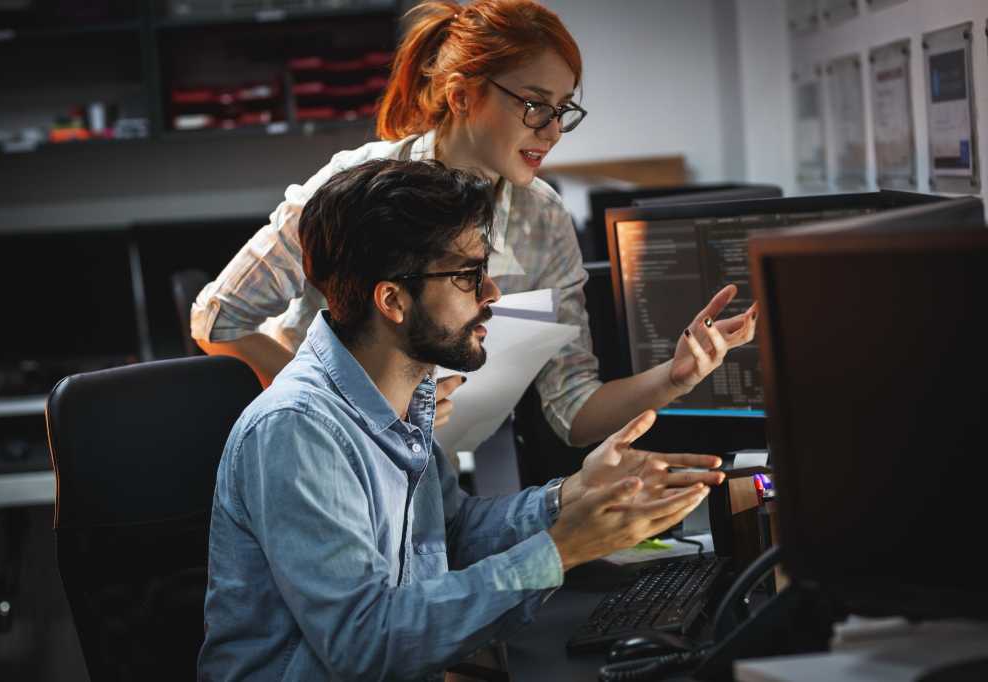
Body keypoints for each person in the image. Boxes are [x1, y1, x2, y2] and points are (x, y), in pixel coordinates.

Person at [197, 158, 725, 681]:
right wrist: (562, 549)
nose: (492, 294)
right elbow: (366, 642)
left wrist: (569, 497)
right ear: (393, 300)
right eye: (470, 275)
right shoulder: (299, 429)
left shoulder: (401, 396)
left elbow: (450, 534)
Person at [191, 0, 757, 448]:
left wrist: (677, 376)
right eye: (535, 104)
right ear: (462, 95)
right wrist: (350, 408)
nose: (552, 130)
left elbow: (574, 412)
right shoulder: (358, 183)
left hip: (430, 470)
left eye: (562, 110)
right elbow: (217, 319)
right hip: (311, 452)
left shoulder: (544, 217)